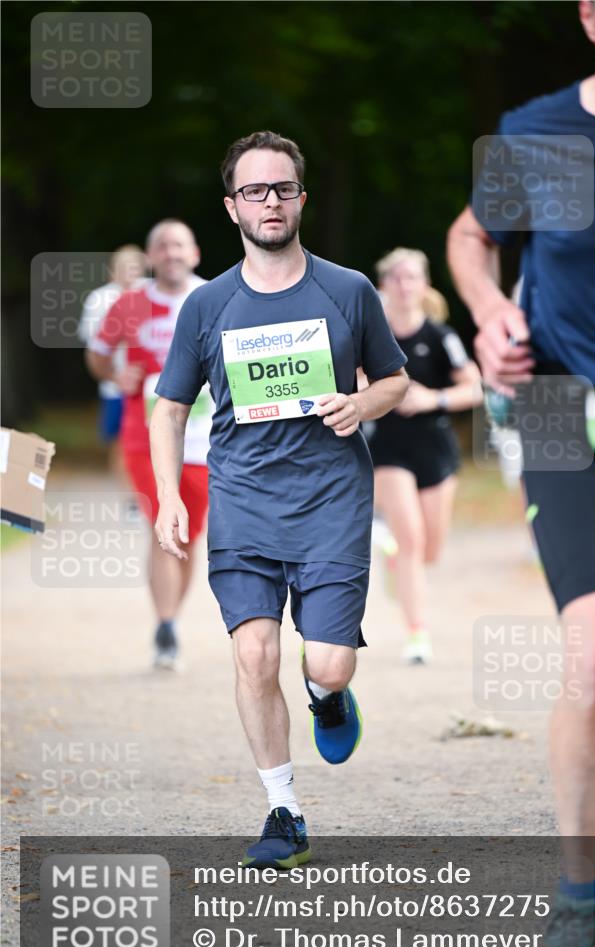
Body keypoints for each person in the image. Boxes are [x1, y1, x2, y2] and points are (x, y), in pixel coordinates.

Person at [447, 2, 595, 947]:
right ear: (588, 17)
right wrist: (492, 311)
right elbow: (467, 235)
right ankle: (575, 914)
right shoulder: (538, 134)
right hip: (556, 406)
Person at [150, 130, 408, 868]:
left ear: (302, 197)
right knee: (255, 653)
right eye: (254, 190)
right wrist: (171, 496)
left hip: (331, 500)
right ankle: (283, 810)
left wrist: (363, 404)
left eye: (282, 188)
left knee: (326, 663)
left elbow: (393, 379)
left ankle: (327, 697)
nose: (270, 201)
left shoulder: (347, 289)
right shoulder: (207, 305)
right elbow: (169, 409)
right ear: (231, 206)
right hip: (242, 502)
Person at [86, 220, 210, 672]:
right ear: (151, 257)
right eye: (162, 246)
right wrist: (115, 376)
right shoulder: (131, 303)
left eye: (179, 245)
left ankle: (172, 618)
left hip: (204, 439)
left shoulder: (214, 298)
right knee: (163, 525)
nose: (171, 253)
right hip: (145, 436)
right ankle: (165, 625)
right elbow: (98, 353)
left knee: (190, 535)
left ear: (194, 253)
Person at [366, 247, 482, 664]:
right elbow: (351, 380)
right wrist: (378, 393)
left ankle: (395, 560)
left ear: (424, 284)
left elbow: (475, 388)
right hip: (387, 448)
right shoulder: (372, 334)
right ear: (383, 285)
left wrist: (431, 399)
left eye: (411, 277)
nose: (403, 284)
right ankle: (417, 634)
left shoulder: (440, 336)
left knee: (429, 550)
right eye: (395, 277)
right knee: (412, 538)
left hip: (434, 448)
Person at [78, 245, 147, 482]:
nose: (130, 273)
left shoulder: (154, 293)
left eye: (135, 267)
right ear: (112, 271)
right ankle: (131, 497)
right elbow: (93, 346)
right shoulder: (99, 300)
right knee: (119, 442)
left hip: (151, 385)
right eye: (124, 268)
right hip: (115, 386)